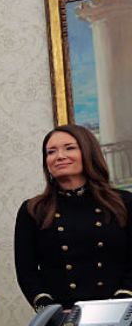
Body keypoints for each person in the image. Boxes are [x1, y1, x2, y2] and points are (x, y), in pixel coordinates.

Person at [14, 124, 132, 310]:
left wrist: (123, 301)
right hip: (62, 318)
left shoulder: (124, 202)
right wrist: (50, 310)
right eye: (51, 152)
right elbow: (27, 273)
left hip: (120, 313)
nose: (59, 156)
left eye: (69, 148)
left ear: (88, 152)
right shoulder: (33, 210)